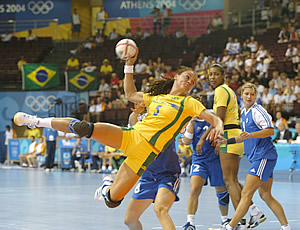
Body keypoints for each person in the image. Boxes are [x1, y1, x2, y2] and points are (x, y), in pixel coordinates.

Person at [13, 48, 223, 210]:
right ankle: (37, 121)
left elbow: (211, 116)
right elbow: (130, 94)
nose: (190, 82)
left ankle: (106, 186)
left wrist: (219, 125)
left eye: (194, 81)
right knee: (84, 127)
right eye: (187, 77)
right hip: (130, 136)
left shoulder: (189, 103)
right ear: (176, 77)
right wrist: (129, 65)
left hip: (144, 156)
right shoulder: (157, 98)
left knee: (113, 202)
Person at [217, 83, 291, 230]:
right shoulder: (244, 113)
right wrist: (227, 141)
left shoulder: (258, 111)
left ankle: (229, 227)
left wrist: (251, 135)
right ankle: (286, 227)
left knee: (246, 193)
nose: (249, 97)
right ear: (241, 96)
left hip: (263, 156)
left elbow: (270, 131)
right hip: (259, 157)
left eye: (252, 94)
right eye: (246, 94)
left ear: (255, 96)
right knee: (265, 195)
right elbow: (243, 136)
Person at [208, 64, 265, 229]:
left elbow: (219, 117)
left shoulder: (220, 90)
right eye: (210, 74)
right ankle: (254, 211)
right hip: (235, 134)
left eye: (216, 74)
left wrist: (217, 137)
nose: (212, 77)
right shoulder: (228, 90)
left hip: (228, 135)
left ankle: (239, 221)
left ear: (223, 76)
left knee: (229, 181)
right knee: (233, 180)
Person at [124, 102, 181, 230]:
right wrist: (136, 112)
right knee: (129, 220)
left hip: (167, 175)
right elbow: (132, 126)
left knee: (160, 209)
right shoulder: (142, 119)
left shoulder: (167, 117)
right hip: (148, 177)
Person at [182, 113, 230, 230]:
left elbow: (221, 126)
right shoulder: (189, 121)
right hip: (199, 160)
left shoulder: (212, 115)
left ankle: (225, 220)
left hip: (215, 159)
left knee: (222, 192)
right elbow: (186, 142)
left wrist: (220, 142)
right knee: (194, 189)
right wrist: (192, 123)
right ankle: (190, 223)